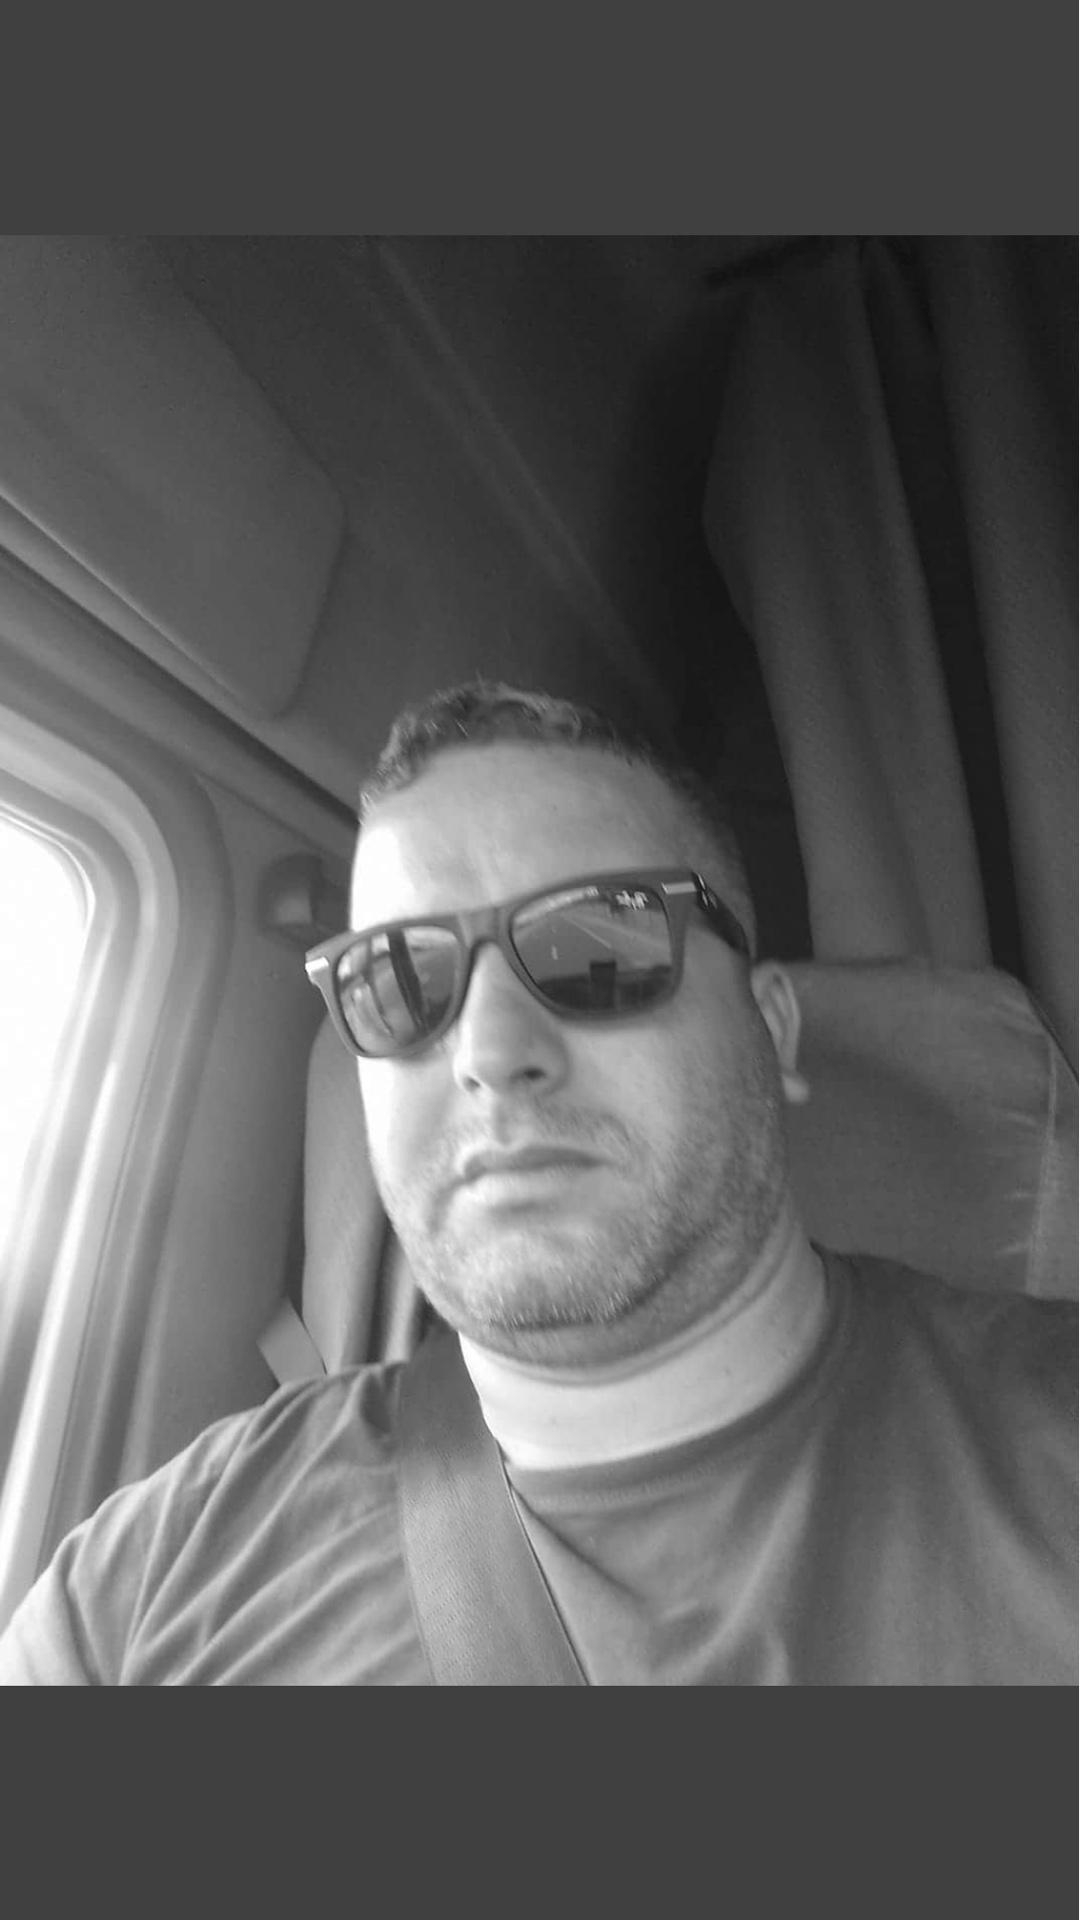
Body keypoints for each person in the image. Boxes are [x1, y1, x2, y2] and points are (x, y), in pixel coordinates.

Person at [0, 680, 1075, 1685]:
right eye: (401, 980)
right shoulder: (149, 1578)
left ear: (772, 1026)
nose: (489, 1051)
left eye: (598, 946)